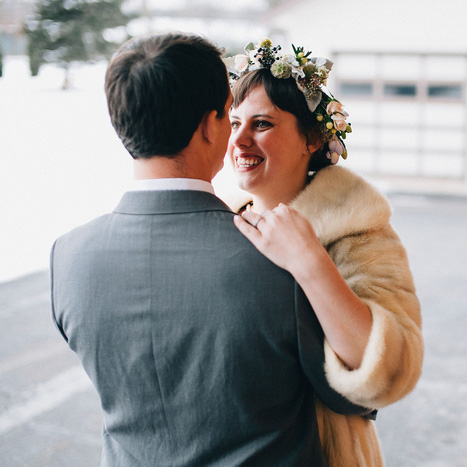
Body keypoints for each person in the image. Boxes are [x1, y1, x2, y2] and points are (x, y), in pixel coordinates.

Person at [50, 32, 372, 466]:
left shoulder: (67, 258)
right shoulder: (276, 256)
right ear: (209, 125)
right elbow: (355, 396)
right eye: (228, 115)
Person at [225, 39, 424, 466]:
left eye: (261, 124)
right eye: (233, 122)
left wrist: (309, 261)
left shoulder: (360, 232)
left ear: (313, 138)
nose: (239, 140)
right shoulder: (222, 221)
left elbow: (391, 369)